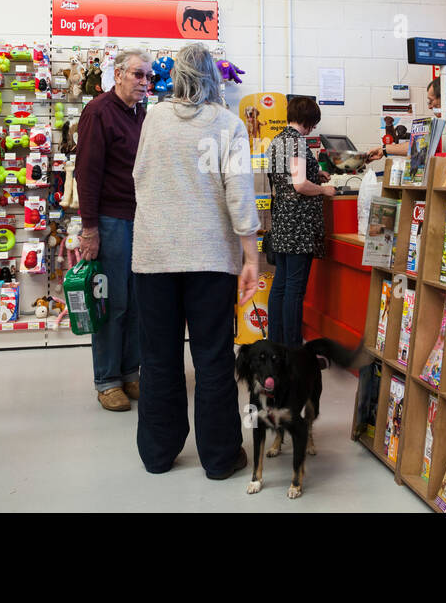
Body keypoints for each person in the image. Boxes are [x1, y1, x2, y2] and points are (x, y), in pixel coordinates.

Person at [131, 42, 259, 480]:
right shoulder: (228, 124)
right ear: (215, 78)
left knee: (159, 357)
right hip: (210, 258)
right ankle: (221, 458)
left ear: (175, 75)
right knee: (213, 358)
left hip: (154, 255)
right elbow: (239, 193)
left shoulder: (153, 119)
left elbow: (139, 177)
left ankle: (157, 453)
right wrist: (251, 258)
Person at [73, 48, 150, 412]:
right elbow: (86, 174)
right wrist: (90, 229)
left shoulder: (140, 113)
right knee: (113, 302)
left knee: (136, 301)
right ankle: (107, 380)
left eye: (149, 77)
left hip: (139, 219)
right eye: (138, 75)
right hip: (110, 220)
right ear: (118, 74)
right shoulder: (98, 112)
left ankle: (130, 373)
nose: (145, 83)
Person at [265, 96, 335, 350]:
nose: (313, 128)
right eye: (313, 123)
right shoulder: (296, 142)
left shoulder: (278, 140)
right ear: (307, 121)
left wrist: (316, 173)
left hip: (283, 219)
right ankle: (293, 349)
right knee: (294, 289)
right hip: (299, 225)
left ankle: (276, 344)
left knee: (280, 285)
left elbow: (286, 178)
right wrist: (324, 190)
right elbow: (300, 185)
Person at [366, 75, 446, 161]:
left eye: (431, 101)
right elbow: (417, 146)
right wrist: (383, 149)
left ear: (445, 98)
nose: (429, 107)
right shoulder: (438, 125)